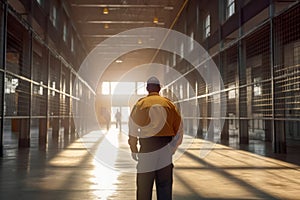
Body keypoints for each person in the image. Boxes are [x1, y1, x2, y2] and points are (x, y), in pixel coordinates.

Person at [128, 76, 183, 200]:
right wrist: (172, 148)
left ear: (147, 88)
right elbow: (179, 129)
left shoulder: (140, 104)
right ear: (159, 88)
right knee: (164, 185)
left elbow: (132, 128)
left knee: (144, 186)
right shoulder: (169, 105)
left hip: (147, 149)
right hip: (165, 149)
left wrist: (133, 147)